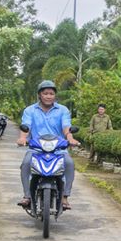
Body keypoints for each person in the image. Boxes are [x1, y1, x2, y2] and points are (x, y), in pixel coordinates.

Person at [17, 80, 79, 211]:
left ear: (55, 95)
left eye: (51, 93)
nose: (49, 96)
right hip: (36, 148)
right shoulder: (30, 110)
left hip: (58, 149)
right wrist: (22, 138)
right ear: (40, 95)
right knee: (26, 163)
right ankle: (27, 196)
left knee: (69, 163)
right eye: (45, 93)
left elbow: (66, 126)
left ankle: (65, 196)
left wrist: (71, 138)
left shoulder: (63, 110)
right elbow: (26, 126)